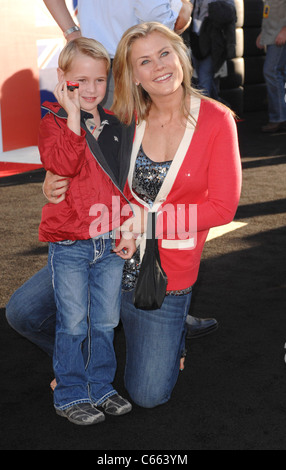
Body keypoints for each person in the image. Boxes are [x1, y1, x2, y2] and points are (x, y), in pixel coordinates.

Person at [42, 0, 218, 339]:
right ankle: (128, 302)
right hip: (121, 66)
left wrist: (72, 31)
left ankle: (149, 298)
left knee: (139, 180)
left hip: (123, 61)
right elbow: (162, 21)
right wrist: (183, 10)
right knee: (144, 180)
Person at [110, 22, 242, 407]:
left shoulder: (217, 120)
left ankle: (173, 331)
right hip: (110, 258)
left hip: (165, 271)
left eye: (165, 53)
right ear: (133, 75)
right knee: (24, 312)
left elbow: (222, 207)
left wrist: (146, 223)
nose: (159, 66)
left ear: (181, 55)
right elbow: (92, 166)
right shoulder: (126, 117)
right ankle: (81, 356)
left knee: (148, 394)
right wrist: (54, 177)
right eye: (145, 61)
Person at [38, 37, 137, 425]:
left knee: (106, 321)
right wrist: (75, 118)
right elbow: (62, 164)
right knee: (74, 322)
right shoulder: (53, 123)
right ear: (63, 80)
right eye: (81, 81)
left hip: (110, 241)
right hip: (70, 245)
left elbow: (124, 182)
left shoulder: (115, 124)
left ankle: (101, 386)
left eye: (99, 80)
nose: (92, 89)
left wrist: (128, 228)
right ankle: (70, 393)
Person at [43, 0, 193, 108]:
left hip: (98, 59)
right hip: (133, 62)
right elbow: (157, 17)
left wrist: (71, 32)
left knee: (100, 136)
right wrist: (183, 9)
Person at [188, 0, 237, 100]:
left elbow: (232, 14)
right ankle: (218, 108)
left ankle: (205, 112)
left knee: (204, 82)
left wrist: (215, 10)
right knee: (202, 81)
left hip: (212, 42)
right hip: (194, 40)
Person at [256, 0, 286, 133]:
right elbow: (269, 11)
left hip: (280, 36)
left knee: (271, 71)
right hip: (273, 35)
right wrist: (263, 34)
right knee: (277, 73)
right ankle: (279, 116)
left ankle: (278, 118)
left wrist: (285, 31)